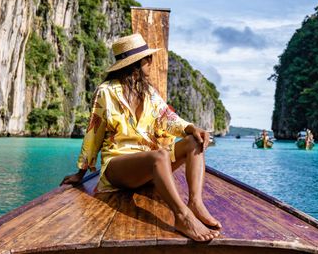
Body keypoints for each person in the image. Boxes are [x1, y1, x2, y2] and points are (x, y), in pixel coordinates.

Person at [61, 33, 220, 242]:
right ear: (136, 62)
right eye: (147, 58)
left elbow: (168, 118)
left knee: (193, 142)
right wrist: (80, 173)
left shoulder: (149, 93)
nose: (151, 62)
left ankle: (195, 203)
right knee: (160, 156)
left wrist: (191, 128)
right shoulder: (106, 92)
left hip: (147, 166)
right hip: (117, 167)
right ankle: (182, 216)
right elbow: (94, 133)